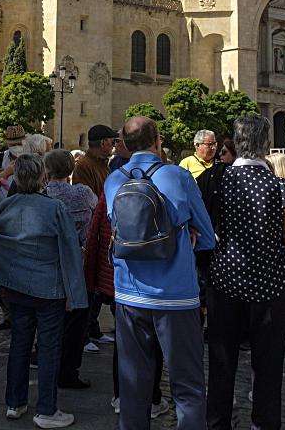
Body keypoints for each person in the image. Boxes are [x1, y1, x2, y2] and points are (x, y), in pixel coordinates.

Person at [105, 116, 215, 430]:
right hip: (176, 296)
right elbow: (206, 236)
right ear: (158, 140)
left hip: (128, 292)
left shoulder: (114, 179)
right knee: (187, 386)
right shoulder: (177, 175)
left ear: (124, 145)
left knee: (133, 385)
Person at [0, 153, 86, 429]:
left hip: (18, 288)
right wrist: (75, 294)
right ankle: (46, 408)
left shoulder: (6, 206)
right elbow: (70, 251)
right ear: (41, 177)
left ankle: (15, 402)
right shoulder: (54, 208)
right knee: (48, 348)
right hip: (49, 289)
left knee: (20, 344)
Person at [206, 115, 285, 430]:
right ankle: (264, 422)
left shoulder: (217, 181)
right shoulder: (281, 186)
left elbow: (206, 232)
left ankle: (218, 421)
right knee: (269, 366)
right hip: (270, 285)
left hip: (226, 282)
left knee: (221, 362)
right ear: (264, 144)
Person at [83, 186, 166, 419]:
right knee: (152, 341)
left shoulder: (111, 188)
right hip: (152, 277)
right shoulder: (161, 187)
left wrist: (92, 278)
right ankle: (151, 397)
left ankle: (122, 396)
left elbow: (94, 235)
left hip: (118, 275)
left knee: (125, 339)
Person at [42, 149, 97, 390]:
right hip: (79, 260)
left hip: (50, 261)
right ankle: (68, 370)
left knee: (50, 319)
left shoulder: (42, 195)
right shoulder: (83, 193)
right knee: (76, 319)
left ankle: (47, 365)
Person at [72, 124, 120, 346]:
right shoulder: (85, 165)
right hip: (93, 230)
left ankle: (93, 329)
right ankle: (85, 333)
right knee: (90, 284)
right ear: (102, 143)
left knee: (98, 285)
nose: (113, 146)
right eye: (111, 142)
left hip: (103, 228)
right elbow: (87, 198)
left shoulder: (102, 165)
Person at [73, 124, 118, 199]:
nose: (113, 146)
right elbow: (85, 199)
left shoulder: (102, 163)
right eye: (113, 142)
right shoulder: (83, 166)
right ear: (103, 143)